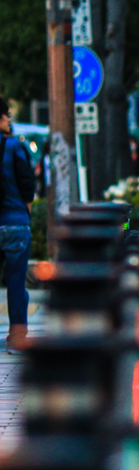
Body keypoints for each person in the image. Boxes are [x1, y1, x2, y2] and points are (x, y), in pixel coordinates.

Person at [0, 100, 37, 353]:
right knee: (16, 283)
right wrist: (27, 211)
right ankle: (17, 336)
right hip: (15, 224)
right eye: (7, 116)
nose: (9, 121)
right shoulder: (14, 146)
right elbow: (27, 184)